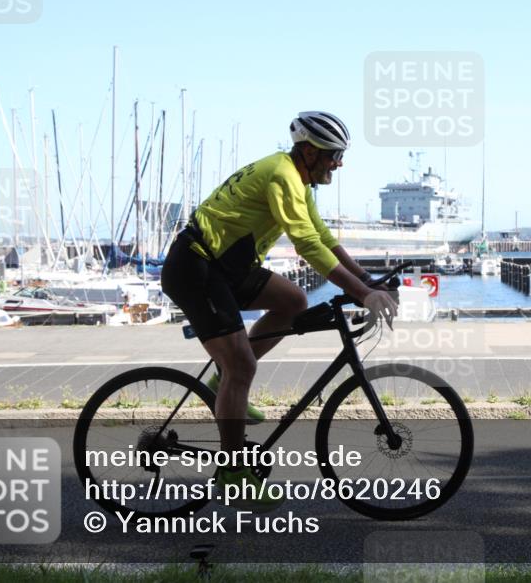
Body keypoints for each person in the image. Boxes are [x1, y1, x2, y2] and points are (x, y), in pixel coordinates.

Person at [159, 111, 397, 512]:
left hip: (226, 267)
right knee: (243, 368)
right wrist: (359, 292)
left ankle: (223, 382)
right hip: (197, 267)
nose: (339, 163)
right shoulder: (282, 175)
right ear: (308, 150)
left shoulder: (298, 179)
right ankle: (234, 476)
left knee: (294, 302)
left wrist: (368, 282)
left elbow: (321, 236)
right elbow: (306, 245)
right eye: (333, 154)